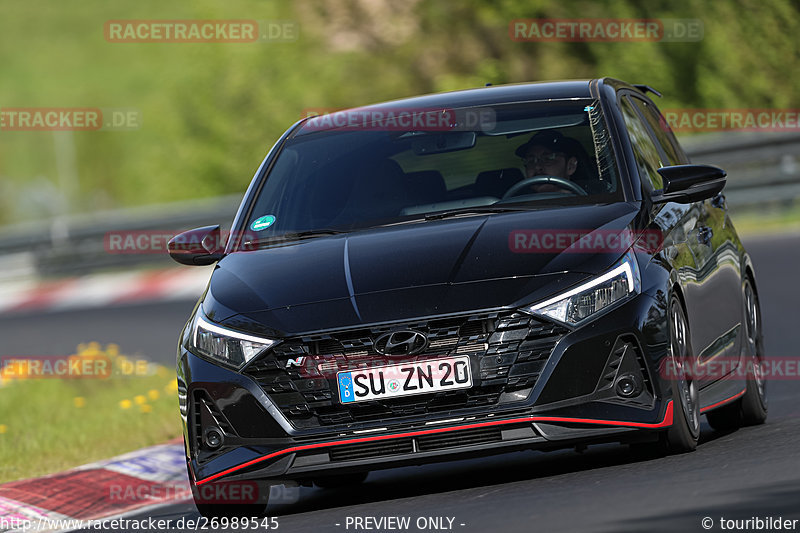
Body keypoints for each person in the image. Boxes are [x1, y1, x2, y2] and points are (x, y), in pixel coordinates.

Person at [514, 130, 588, 194]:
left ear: (570, 166)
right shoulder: (515, 205)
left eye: (548, 158)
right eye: (531, 161)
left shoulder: (591, 201)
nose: (537, 167)